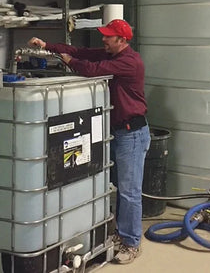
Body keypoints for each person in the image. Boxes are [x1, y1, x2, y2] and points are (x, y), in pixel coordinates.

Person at [28, 19, 150, 264]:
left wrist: (70, 62)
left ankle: (131, 243)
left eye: (109, 36)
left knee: (129, 192)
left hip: (132, 134)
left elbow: (92, 69)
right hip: (116, 132)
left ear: (122, 40)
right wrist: (48, 46)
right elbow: (81, 52)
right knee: (118, 188)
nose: (103, 39)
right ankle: (120, 233)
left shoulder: (129, 61)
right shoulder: (113, 54)